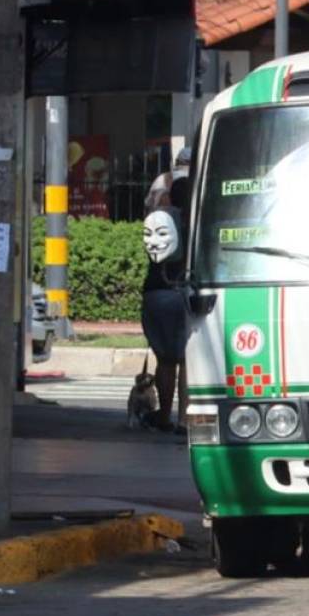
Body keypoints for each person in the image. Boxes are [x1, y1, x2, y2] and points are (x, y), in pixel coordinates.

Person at [140, 176, 190, 433]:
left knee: (165, 360)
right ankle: (184, 419)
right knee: (187, 359)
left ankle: (164, 415)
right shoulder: (194, 220)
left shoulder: (160, 218)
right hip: (185, 294)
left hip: (156, 293)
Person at [144, 146, 191, 212]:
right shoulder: (198, 179)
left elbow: (148, 203)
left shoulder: (161, 178)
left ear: (177, 162)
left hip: (162, 220)